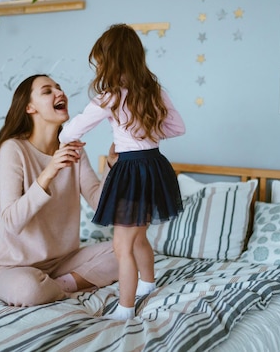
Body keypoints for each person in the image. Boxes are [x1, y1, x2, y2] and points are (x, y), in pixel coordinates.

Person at [59, 23, 186, 320]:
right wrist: (145, 135)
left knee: (121, 244)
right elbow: (178, 127)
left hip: (130, 170)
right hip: (154, 166)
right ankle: (148, 284)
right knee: (138, 235)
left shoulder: (110, 97)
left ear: (110, 62)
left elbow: (71, 131)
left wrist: (67, 137)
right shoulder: (153, 91)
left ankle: (126, 308)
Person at [0, 74, 119, 307]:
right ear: (29, 107)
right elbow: (12, 223)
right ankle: (56, 286)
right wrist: (50, 170)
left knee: (128, 251)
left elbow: (99, 204)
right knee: (29, 290)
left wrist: (112, 165)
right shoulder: (13, 149)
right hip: (10, 266)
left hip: (62, 262)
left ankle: (58, 285)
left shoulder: (74, 149)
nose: (59, 92)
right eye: (47, 91)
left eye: (59, 88)